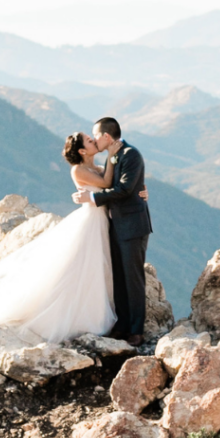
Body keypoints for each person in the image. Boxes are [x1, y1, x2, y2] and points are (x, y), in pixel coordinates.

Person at [0, 131, 122, 344]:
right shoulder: (79, 170)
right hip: (91, 220)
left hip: (101, 219)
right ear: (82, 151)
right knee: (85, 266)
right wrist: (112, 155)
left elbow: (115, 184)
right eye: (90, 141)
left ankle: (94, 311)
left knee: (96, 266)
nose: (94, 141)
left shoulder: (96, 168)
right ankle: (76, 317)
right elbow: (106, 182)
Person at [71, 117, 152, 347]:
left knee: (133, 279)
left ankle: (136, 331)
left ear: (106, 136)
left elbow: (124, 189)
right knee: (118, 279)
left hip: (132, 226)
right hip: (113, 225)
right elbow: (110, 181)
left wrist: (92, 197)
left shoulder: (131, 154)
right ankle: (122, 325)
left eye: (95, 136)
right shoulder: (113, 156)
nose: (94, 140)